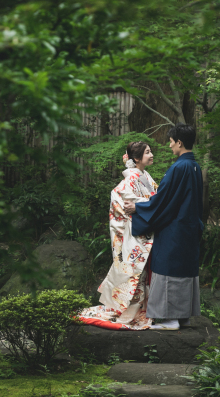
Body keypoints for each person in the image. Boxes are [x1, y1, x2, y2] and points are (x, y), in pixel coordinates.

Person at [123, 123, 203, 331]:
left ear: (179, 142)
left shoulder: (179, 167)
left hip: (175, 229)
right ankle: (182, 315)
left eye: (170, 142)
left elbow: (164, 200)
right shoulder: (194, 166)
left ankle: (170, 319)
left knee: (168, 267)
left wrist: (138, 208)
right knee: (183, 268)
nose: (169, 146)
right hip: (189, 227)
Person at [78, 141, 157, 330]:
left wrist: (147, 204)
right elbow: (123, 201)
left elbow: (155, 198)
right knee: (135, 276)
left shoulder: (145, 175)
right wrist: (144, 205)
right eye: (147, 152)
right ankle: (131, 313)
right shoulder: (130, 179)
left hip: (144, 231)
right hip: (135, 234)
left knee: (141, 275)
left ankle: (142, 310)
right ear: (137, 158)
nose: (152, 154)